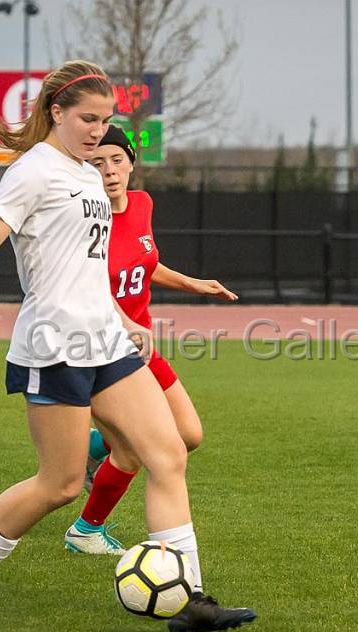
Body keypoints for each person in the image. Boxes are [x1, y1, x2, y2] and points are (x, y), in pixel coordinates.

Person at [0, 60, 256, 632]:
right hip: (53, 347)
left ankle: (191, 599)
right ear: (56, 112)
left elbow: (85, 270)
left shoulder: (88, 176)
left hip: (107, 343)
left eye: (106, 120)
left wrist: (120, 319)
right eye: (87, 118)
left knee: (168, 454)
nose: (96, 131)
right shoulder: (33, 171)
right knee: (58, 485)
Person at [63, 124, 238, 556]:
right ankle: (86, 531)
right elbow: (89, 286)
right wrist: (124, 323)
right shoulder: (84, 221)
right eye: (97, 162)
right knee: (135, 450)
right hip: (101, 352)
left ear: (131, 164)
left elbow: (144, 263)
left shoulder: (142, 204)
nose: (108, 171)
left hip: (141, 348)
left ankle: (94, 445)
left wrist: (193, 284)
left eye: (116, 160)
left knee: (190, 436)